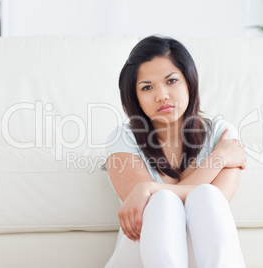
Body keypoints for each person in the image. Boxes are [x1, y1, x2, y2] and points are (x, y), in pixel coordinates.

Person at [102, 35, 247, 268]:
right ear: (135, 97)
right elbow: (157, 210)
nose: (162, 95)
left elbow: (214, 205)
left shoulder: (222, 134)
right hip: (141, 257)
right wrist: (218, 159)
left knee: (207, 196)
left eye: (171, 81)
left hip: (204, 255)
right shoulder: (124, 138)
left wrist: (148, 187)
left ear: (189, 81)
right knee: (164, 202)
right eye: (147, 87)